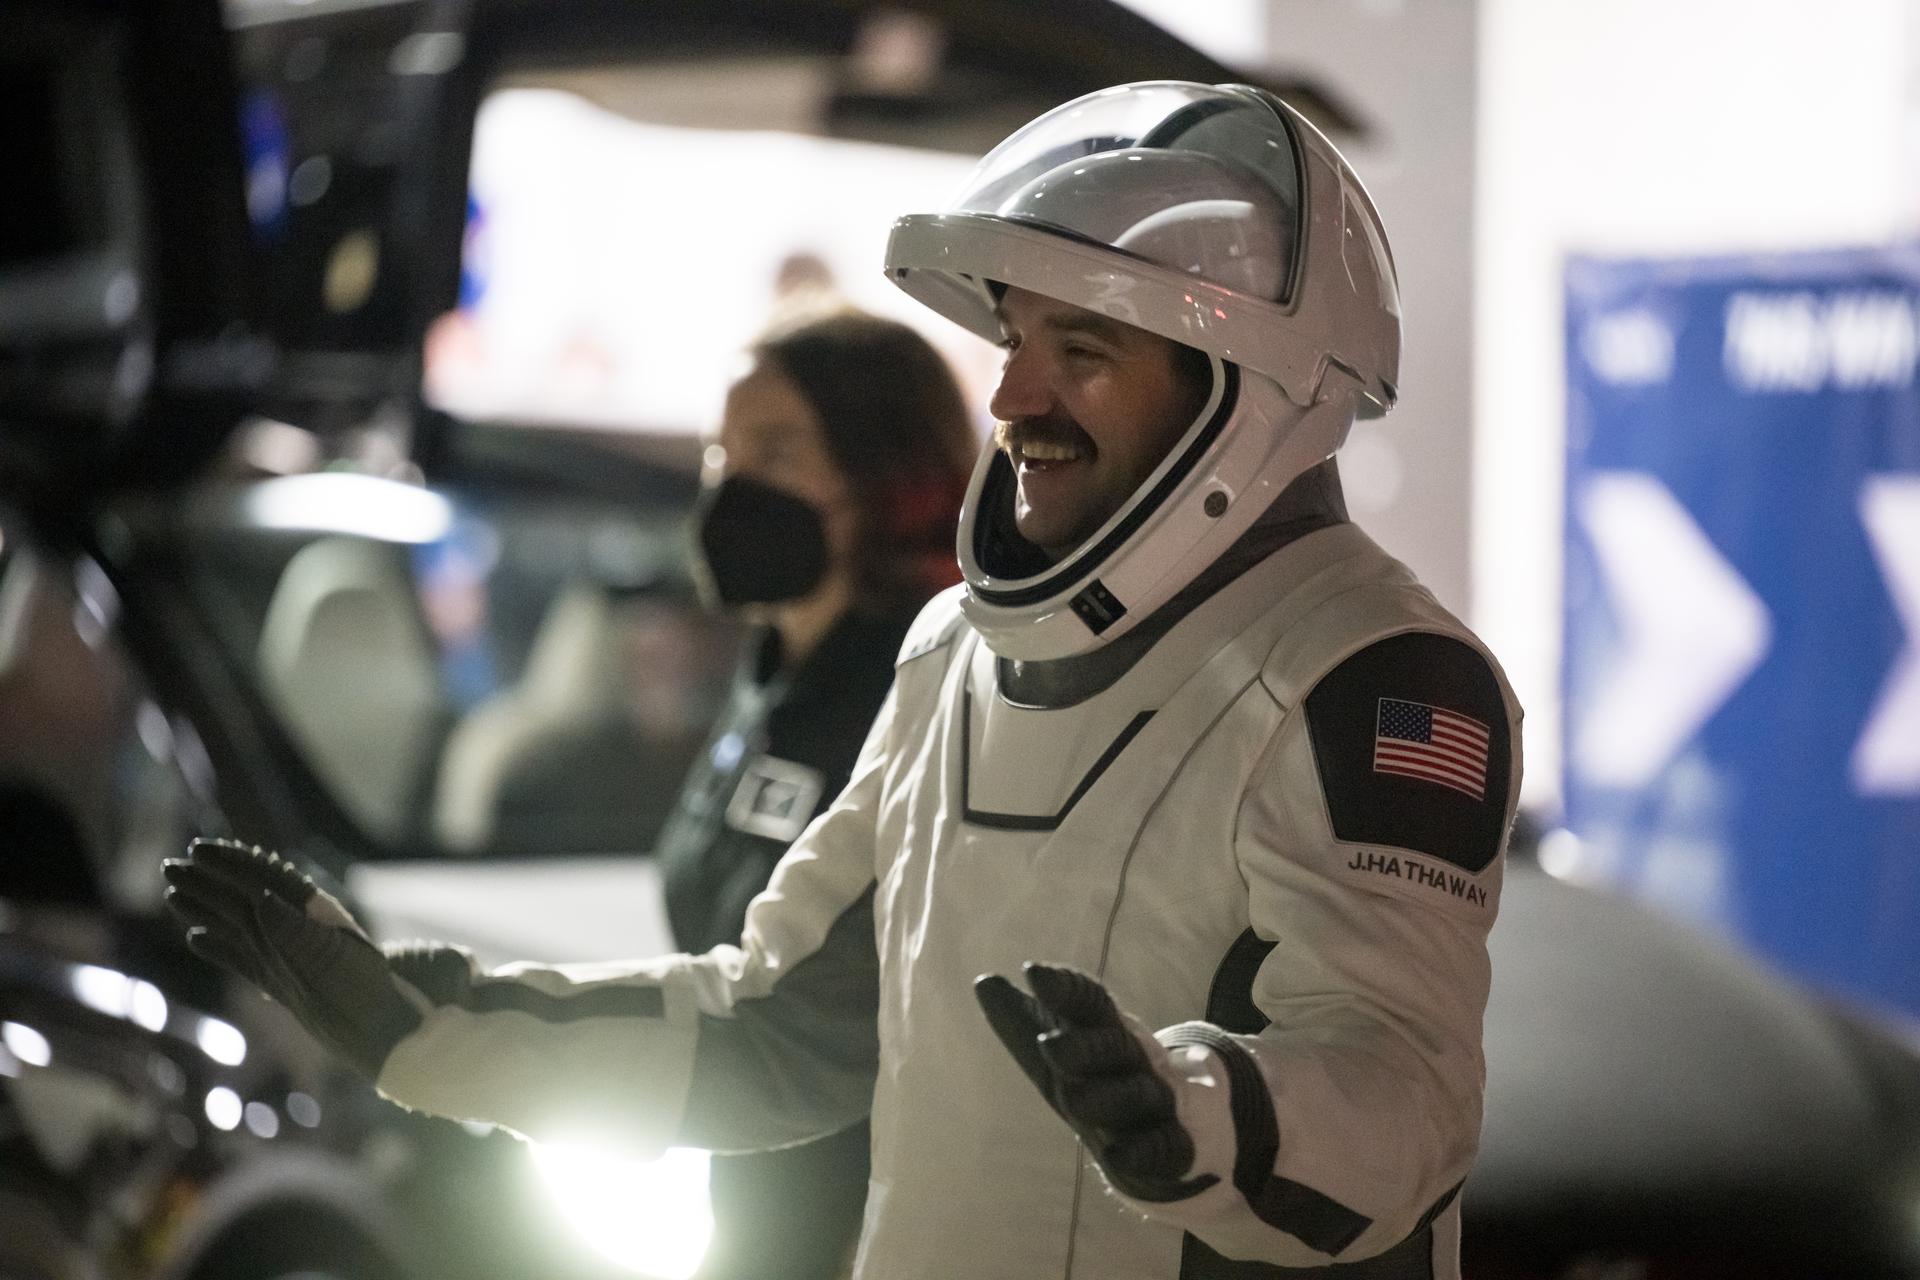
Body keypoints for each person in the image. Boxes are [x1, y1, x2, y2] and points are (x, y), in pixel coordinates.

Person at [166, 82, 1523, 1280]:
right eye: (1018, 341)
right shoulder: (953, 653)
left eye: (1084, 353)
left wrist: (1203, 1111)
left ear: (1251, 391)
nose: (1014, 399)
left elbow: (1403, 1099)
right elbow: (774, 1025)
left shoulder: (1374, 674)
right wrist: (427, 1028)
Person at [664, 308, 975, 1278]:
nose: (733, 482)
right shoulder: (766, 670)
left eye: (779, 448)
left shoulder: (928, 687)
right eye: (722, 451)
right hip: (747, 1205)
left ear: (885, 476)